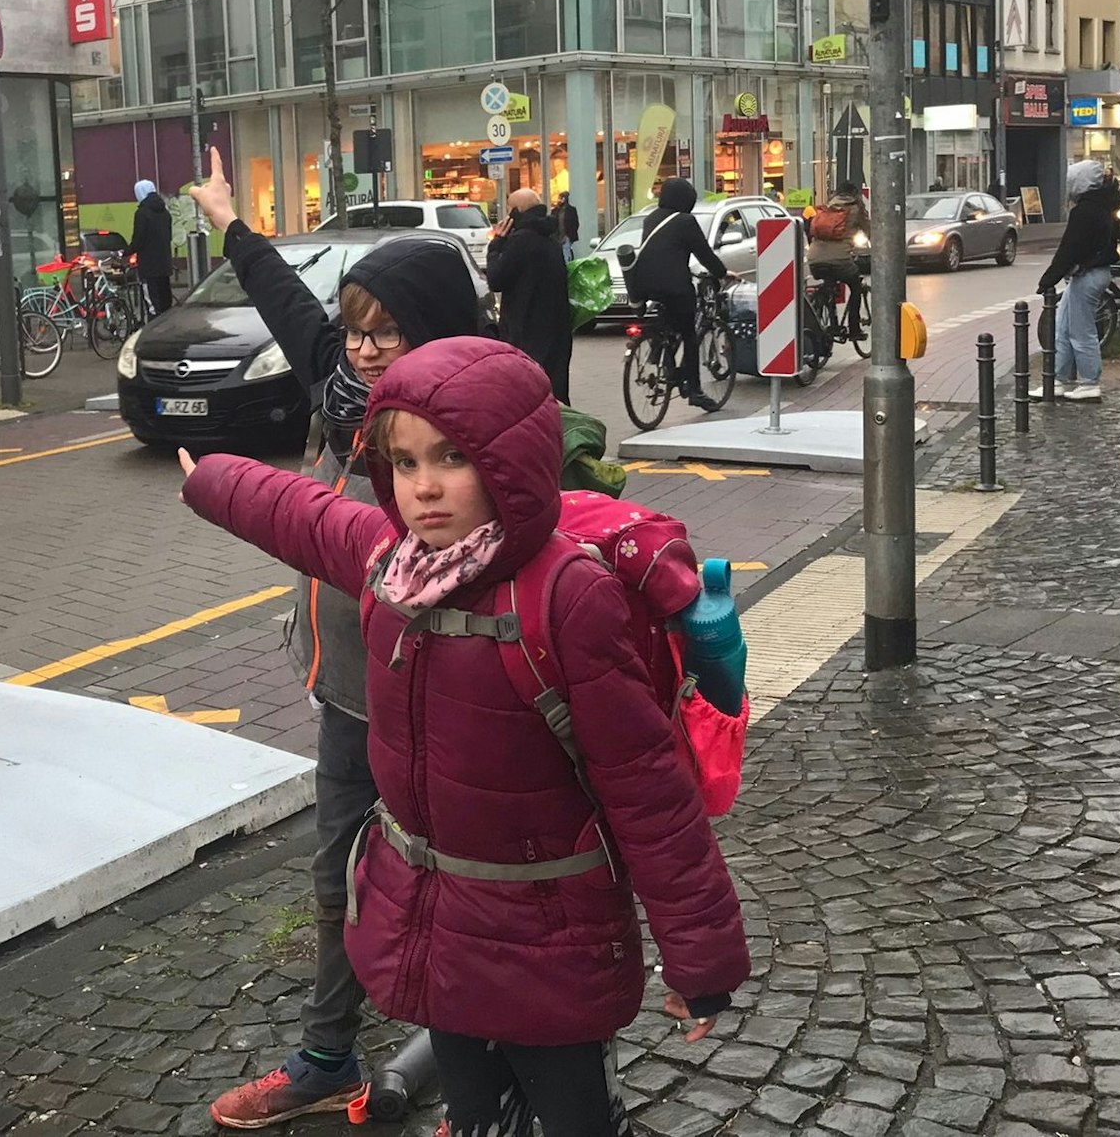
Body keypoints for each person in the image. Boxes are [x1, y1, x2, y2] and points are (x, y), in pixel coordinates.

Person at [178, 338, 749, 1134]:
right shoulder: (394, 564)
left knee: (571, 1115)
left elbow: (647, 791)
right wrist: (208, 478)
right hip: (435, 921)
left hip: (550, 935)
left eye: (452, 457)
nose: (424, 487)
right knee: (472, 1113)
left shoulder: (567, 596)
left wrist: (701, 960)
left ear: (511, 461)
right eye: (404, 463)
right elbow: (304, 517)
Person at [184, 148, 486, 1129]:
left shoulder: (466, 437)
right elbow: (285, 300)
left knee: (464, 888)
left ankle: (489, 1076)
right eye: (357, 326)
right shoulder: (338, 386)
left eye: (385, 332)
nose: (360, 348)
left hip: (445, 706)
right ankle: (325, 1060)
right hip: (348, 693)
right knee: (337, 878)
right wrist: (228, 222)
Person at [625, 177, 728, 413]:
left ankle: (662, 355)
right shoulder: (686, 221)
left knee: (668, 324)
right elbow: (704, 253)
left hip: (645, 285)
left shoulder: (652, 218)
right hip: (674, 287)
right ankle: (694, 391)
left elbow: (660, 252)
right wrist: (721, 272)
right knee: (689, 335)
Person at [1036, 158, 1120, 403]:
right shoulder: (1104, 205)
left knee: (1081, 331)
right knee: (1063, 327)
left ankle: (1089, 383)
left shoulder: (1085, 211)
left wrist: (1049, 279)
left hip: (1088, 274)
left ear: (1079, 182)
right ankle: (1058, 380)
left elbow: (1069, 249)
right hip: (1090, 271)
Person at [486, 188, 573, 403]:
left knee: (527, 394)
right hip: (556, 329)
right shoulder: (551, 239)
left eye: (508, 210)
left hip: (525, 330)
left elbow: (496, 280)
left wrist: (496, 245)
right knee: (556, 391)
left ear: (517, 211)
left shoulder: (520, 241)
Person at [807, 177, 872, 343]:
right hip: (840, 260)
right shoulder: (856, 208)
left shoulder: (827, 206)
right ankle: (854, 330)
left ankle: (829, 321)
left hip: (814, 259)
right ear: (854, 194)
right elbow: (870, 230)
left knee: (829, 284)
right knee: (856, 287)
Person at [130, 179, 174, 315]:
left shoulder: (142, 213)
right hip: (164, 264)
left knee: (153, 304)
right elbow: (169, 237)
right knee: (165, 300)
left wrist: (126, 251)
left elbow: (138, 240)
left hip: (148, 266)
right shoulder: (165, 212)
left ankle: (153, 331)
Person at [550, 191, 579, 262]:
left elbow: (575, 223)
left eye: (562, 198)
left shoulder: (571, 210)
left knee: (566, 252)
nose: (560, 200)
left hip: (566, 235)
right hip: (557, 236)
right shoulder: (555, 210)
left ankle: (566, 265)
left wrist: (570, 234)